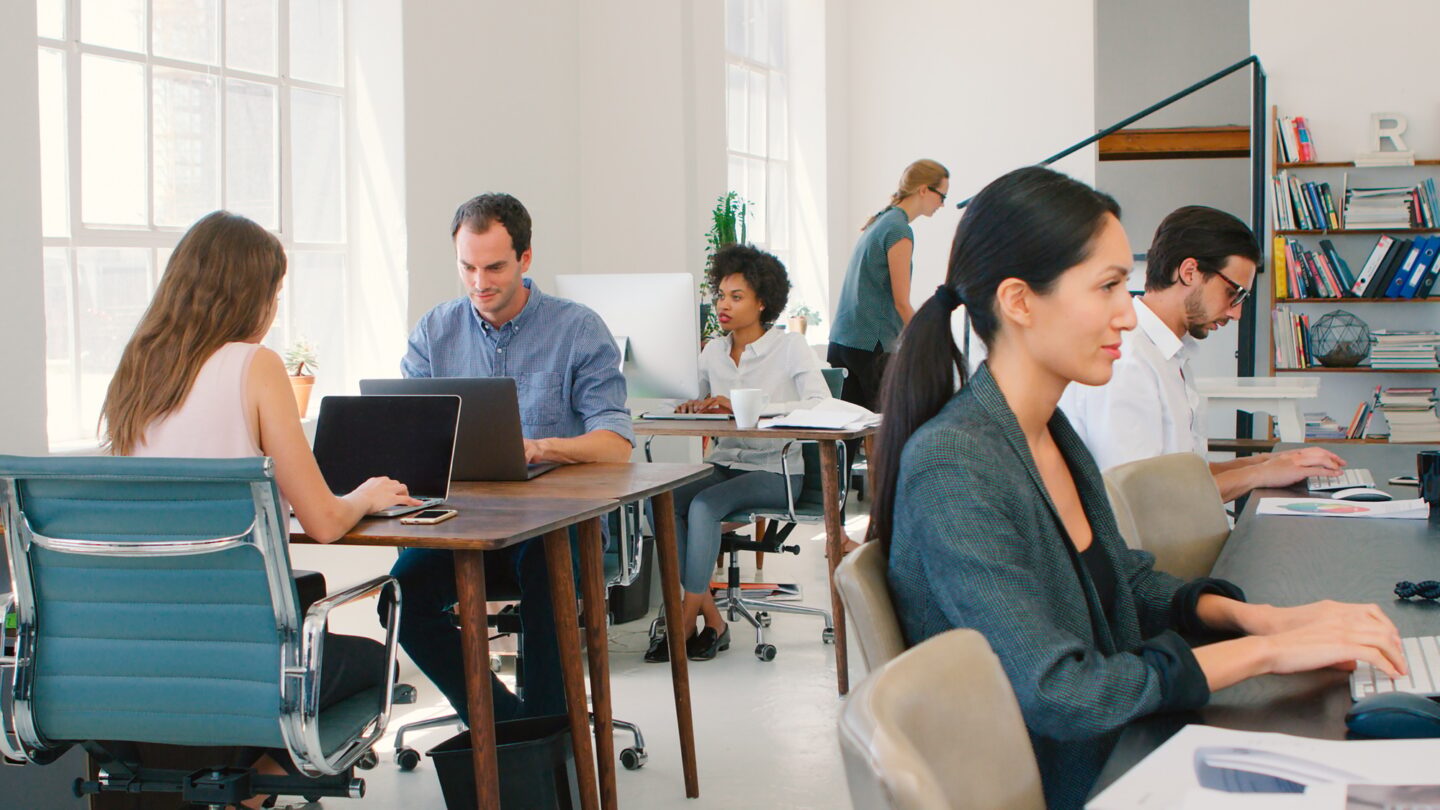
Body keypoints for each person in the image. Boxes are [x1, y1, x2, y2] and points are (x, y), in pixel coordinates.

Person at [870, 167, 1405, 809]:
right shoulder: (956, 466)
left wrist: (1259, 618)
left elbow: (1123, 581)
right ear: (1019, 301)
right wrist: (1270, 653)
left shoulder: (1049, 430)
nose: (1128, 314)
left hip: (1121, 750)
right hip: (1078, 777)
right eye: (1108, 287)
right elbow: (1064, 693)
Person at [100, 210, 420, 808]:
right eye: (273, 292)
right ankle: (254, 793)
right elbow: (323, 520)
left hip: (141, 647)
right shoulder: (256, 365)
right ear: (250, 296)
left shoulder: (137, 371)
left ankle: (239, 791)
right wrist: (369, 495)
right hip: (245, 654)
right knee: (375, 665)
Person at [391, 193, 633, 724]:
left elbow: (616, 445)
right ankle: (507, 728)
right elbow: (408, 436)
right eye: (468, 267)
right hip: (463, 523)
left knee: (548, 578)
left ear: (525, 259)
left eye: (495, 267)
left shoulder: (577, 329)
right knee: (400, 599)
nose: (480, 282)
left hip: (555, 526)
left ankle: (547, 740)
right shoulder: (435, 331)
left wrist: (541, 447)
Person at [1059, 205, 1344, 501]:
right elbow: (1143, 499)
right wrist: (1260, 473)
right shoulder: (1127, 361)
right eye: (1234, 293)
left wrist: (1267, 462)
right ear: (1189, 272)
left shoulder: (1166, 354)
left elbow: (1180, 477)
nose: (1237, 313)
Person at [642, 244, 829, 663]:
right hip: (724, 464)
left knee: (706, 505)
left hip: (776, 471)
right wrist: (690, 405)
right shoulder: (712, 351)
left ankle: (681, 620)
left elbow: (821, 402)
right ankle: (713, 619)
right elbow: (689, 399)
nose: (723, 305)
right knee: (661, 501)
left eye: (736, 297)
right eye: (721, 295)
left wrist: (750, 407)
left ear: (763, 303)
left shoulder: (790, 348)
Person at [828, 158, 949, 411]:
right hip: (872, 345)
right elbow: (901, 302)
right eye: (941, 196)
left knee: (846, 435)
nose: (942, 204)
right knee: (886, 433)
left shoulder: (880, 221)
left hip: (843, 340)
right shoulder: (899, 230)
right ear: (924, 189)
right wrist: (928, 341)